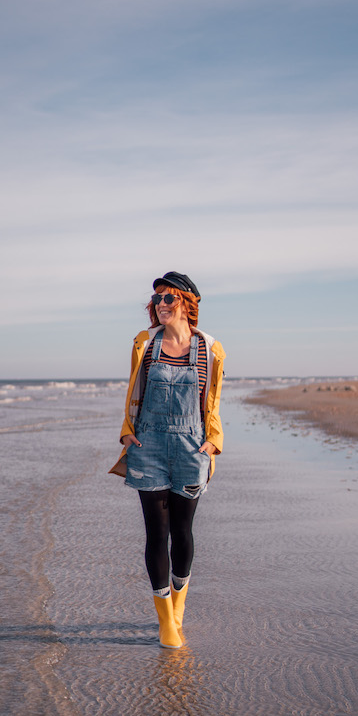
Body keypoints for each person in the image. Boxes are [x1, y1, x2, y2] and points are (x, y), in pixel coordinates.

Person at [109, 271, 225, 649]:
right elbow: (133, 391)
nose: (161, 304)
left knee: (183, 532)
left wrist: (213, 443)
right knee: (156, 534)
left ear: (187, 304)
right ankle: (165, 623)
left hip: (192, 447)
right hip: (150, 447)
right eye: (157, 299)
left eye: (169, 298)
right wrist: (127, 431)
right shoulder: (145, 344)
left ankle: (179, 605)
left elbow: (213, 402)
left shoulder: (210, 349)